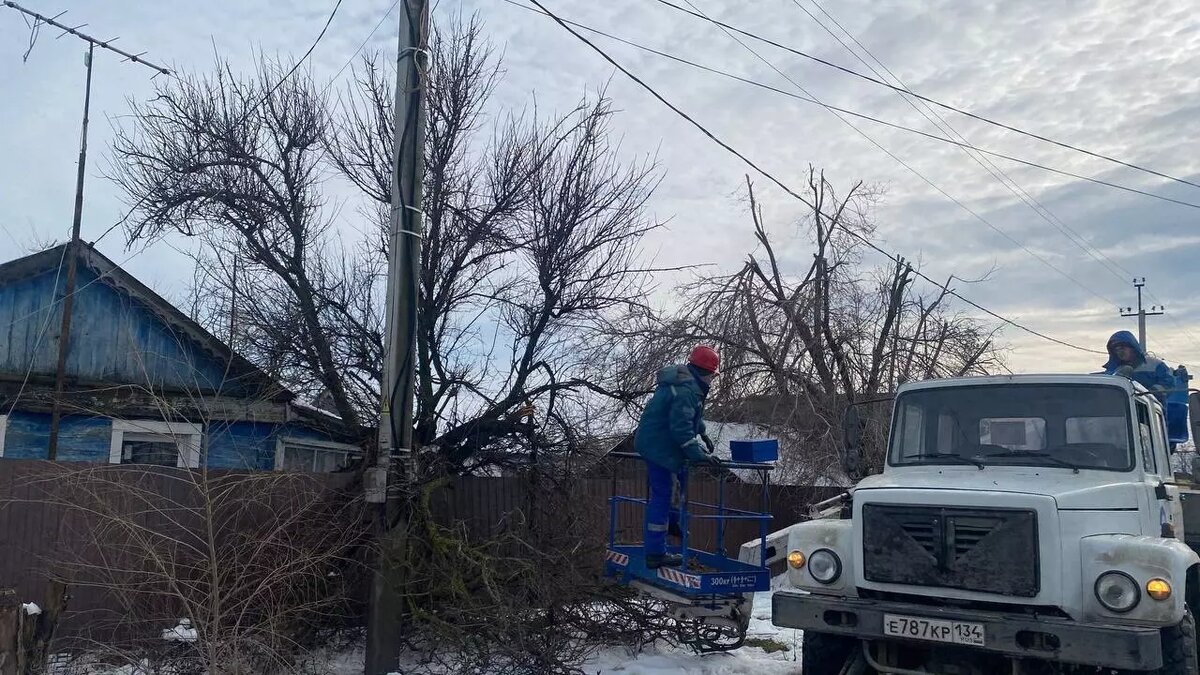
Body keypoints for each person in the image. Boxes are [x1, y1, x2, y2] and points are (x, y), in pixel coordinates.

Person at [634, 345, 722, 569]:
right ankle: (655, 553)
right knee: (663, 494)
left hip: (662, 442)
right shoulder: (686, 390)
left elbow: (692, 416)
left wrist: (702, 432)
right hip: (658, 446)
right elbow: (681, 429)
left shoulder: (688, 385)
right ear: (707, 372)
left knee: (680, 480)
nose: (713, 379)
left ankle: (672, 522)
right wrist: (700, 455)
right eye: (713, 375)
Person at [1103, 330, 1174, 399]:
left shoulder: (1155, 364)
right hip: (1123, 408)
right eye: (1116, 350)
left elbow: (1169, 383)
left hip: (1152, 408)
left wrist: (1153, 392)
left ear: (1132, 347)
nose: (1120, 352)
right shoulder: (1113, 370)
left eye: (1122, 348)